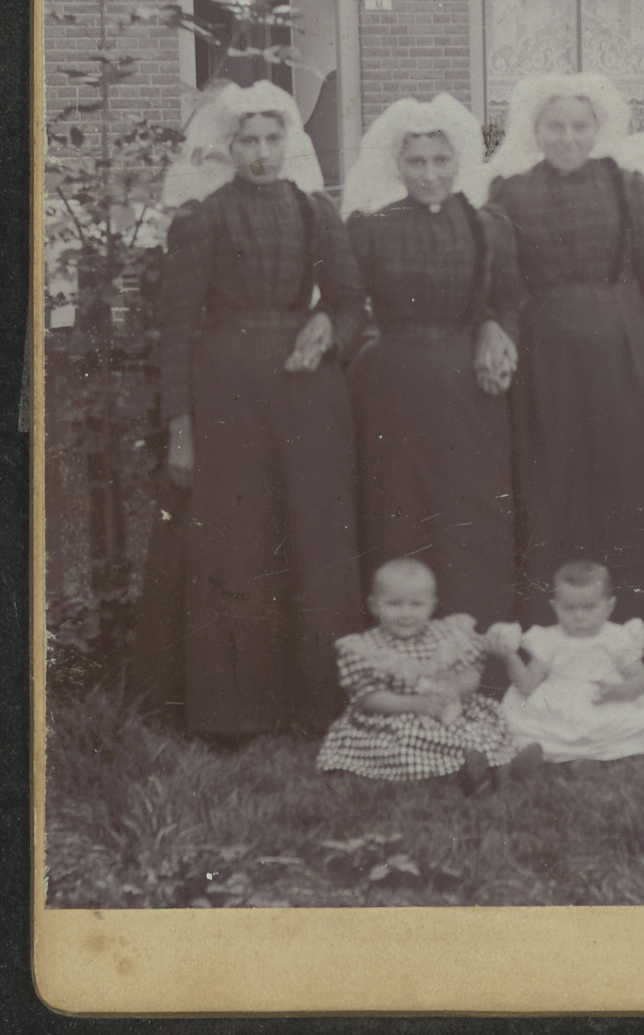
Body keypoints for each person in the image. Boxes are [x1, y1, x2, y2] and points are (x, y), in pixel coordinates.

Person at [133, 80, 365, 742]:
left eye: (271, 139)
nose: (261, 153)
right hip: (226, 398)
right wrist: (181, 430)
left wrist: (327, 327)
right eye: (247, 141)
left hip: (304, 395)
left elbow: (350, 302)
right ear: (226, 147)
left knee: (310, 536)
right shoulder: (201, 219)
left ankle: (313, 703)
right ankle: (234, 709)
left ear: (288, 143)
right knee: (236, 541)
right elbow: (178, 333)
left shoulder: (315, 212)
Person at [485, 73, 644, 684]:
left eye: (579, 126)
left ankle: (633, 658)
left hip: (620, 366)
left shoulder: (627, 185)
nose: (567, 138)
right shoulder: (510, 191)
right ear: (535, 128)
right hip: (544, 368)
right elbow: (501, 288)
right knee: (547, 499)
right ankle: (546, 659)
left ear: (598, 128)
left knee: (623, 499)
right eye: (555, 126)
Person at [341, 94, 522, 630]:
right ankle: (399, 642)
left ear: (459, 159)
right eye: (416, 161)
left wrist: (495, 328)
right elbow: (348, 306)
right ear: (397, 165)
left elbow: (508, 300)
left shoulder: (487, 225)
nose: (429, 174)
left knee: (471, 512)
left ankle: (474, 640)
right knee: (400, 510)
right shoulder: (371, 228)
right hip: (394, 387)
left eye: (441, 160)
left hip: (468, 388)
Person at [316, 558, 519, 788]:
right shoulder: (367, 648)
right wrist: (414, 704)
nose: (406, 613)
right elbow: (368, 697)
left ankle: (498, 766)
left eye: (416, 604)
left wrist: (456, 687)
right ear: (374, 606)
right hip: (396, 716)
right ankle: (461, 772)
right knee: (407, 740)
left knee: (481, 726)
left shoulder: (446, 635)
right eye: (394, 604)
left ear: (432, 605)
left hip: (446, 710)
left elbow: (472, 672)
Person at [485, 560, 644, 763]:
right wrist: (510, 657)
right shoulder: (549, 640)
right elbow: (527, 687)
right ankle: (573, 759)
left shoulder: (616, 637)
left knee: (639, 716)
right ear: (555, 607)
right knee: (529, 720)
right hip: (560, 708)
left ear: (609, 607)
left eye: (589, 607)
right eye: (569, 608)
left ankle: (614, 754)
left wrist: (619, 691)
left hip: (606, 703)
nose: (579, 616)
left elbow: (641, 679)